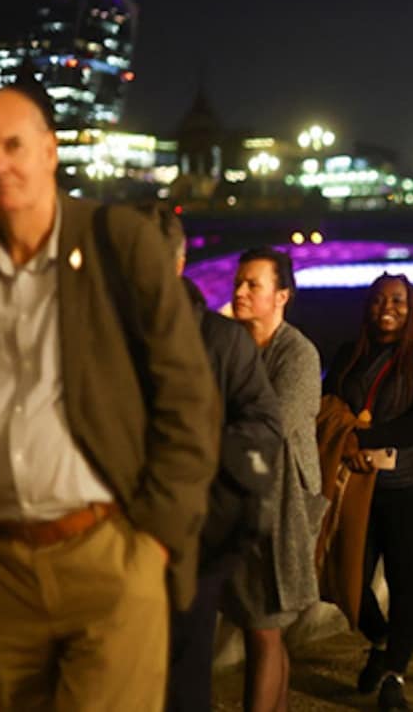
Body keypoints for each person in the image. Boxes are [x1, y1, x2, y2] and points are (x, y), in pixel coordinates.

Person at [0, 85, 220, 710]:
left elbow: (190, 399)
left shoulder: (118, 244)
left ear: (50, 151)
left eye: (14, 145)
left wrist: (152, 541)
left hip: (108, 552)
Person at [153, 207, 285, 712]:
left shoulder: (222, 341)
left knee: (184, 678)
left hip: (195, 535)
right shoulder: (97, 334)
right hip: (111, 536)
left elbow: (265, 428)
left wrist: (198, 460)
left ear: (179, 260)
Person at [324, 273, 413, 711]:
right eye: (378, 300)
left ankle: (395, 671)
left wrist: (367, 438)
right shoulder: (347, 355)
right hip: (359, 485)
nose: (387, 307)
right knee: (349, 577)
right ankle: (379, 638)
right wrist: (347, 444)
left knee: (407, 580)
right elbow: (330, 408)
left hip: (412, 486)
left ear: (411, 306)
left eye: (397, 300)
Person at [222, 247, 327, 712]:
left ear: (282, 295)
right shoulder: (234, 344)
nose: (240, 292)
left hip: (284, 506)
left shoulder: (298, 354)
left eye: (253, 285)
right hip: (246, 497)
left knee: (264, 625)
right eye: (239, 282)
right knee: (262, 627)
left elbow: (275, 424)